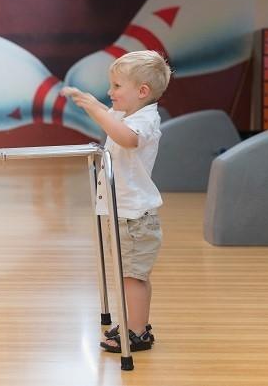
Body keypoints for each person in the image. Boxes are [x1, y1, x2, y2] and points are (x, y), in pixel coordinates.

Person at [60, 49, 171, 353]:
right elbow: (114, 126)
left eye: (117, 86)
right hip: (121, 211)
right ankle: (135, 325)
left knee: (132, 276)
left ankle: (136, 332)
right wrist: (92, 104)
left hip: (133, 215)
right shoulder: (126, 114)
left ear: (142, 91)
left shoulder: (146, 120)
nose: (110, 92)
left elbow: (126, 139)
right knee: (127, 273)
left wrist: (96, 108)